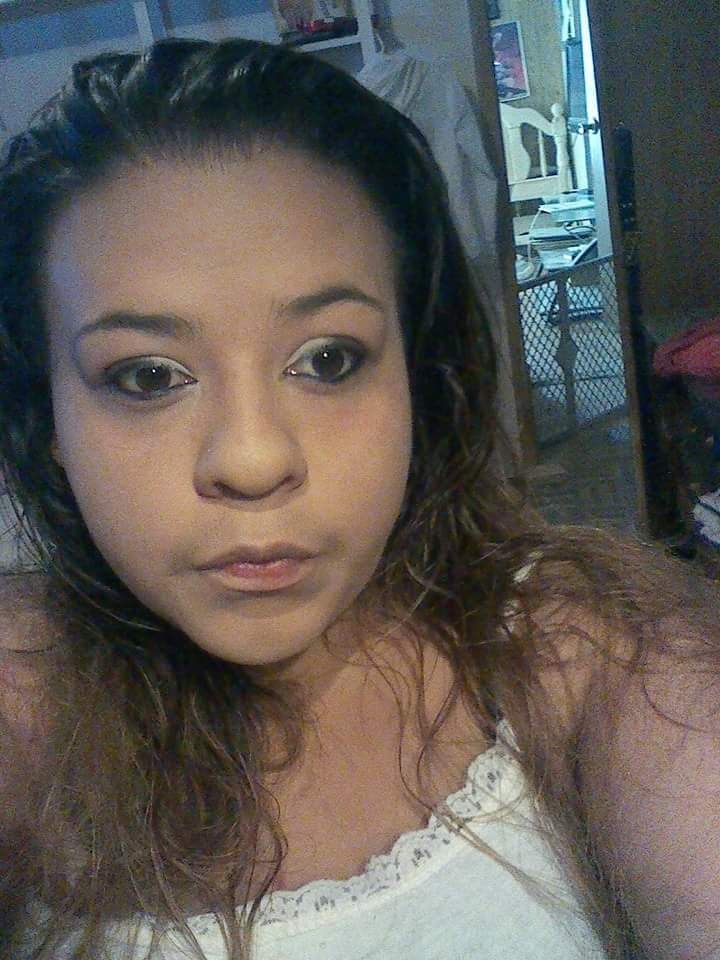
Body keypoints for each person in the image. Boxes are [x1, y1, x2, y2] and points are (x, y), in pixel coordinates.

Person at [0, 37, 717, 960]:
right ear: (49, 423)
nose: (253, 460)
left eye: (329, 360)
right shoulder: (24, 702)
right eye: (147, 376)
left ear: (417, 376)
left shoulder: (581, 653)